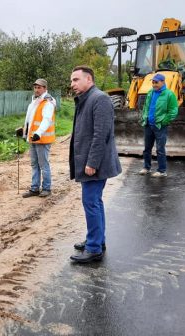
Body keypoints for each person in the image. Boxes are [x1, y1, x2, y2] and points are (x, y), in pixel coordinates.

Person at [69, 66, 121, 264]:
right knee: (95, 202)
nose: (72, 84)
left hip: (95, 164)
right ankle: (97, 240)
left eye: (75, 79)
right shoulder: (86, 99)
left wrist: (91, 163)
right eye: (72, 80)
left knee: (91, 203)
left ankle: (94, 249)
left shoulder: (100, 99)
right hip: (91, 162)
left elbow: (101, 135)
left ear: (88, 79)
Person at [16, 78, 56, 198]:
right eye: (35, 87)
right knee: (34, 164)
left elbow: (47, 120)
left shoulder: (47, 102)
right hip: (33, 138)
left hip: (42, 139)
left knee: (43, 165)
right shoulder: (34, 102)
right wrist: (24, 133)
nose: (36, 89)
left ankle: (46, 188)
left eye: (39, 87)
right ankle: (34, 188)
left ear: (45, 88)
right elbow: (29, 120)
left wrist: (39, 132)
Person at [139, 72, 178, 177]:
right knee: (147, 148)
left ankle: (162, 171)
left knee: (160, 149)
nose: (154, 84)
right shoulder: (150, 93)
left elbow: (173, 111)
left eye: (156, 82)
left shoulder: (169, 94)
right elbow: (146, 107)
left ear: (162, 82)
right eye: (153, 82)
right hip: (148, 125)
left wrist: (164, 121)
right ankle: (146, 167)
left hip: (159, 126)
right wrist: (144, 117)